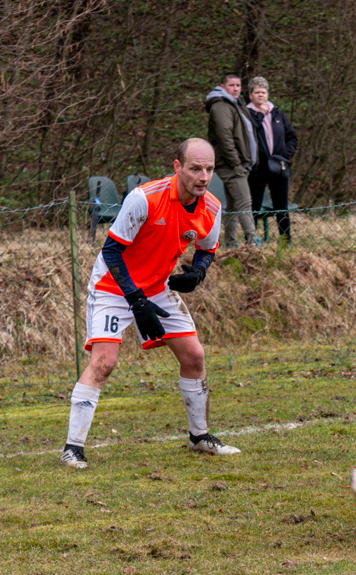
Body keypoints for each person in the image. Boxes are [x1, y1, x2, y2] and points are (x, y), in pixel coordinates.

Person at [60, 138, 238, 469]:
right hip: (114, 285)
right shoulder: (144, 198)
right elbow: (111, 251)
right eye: (195, 168)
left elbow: (207, 248)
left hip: (157, 286)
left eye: (209, 170)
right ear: (177, 167)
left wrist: (197, 273)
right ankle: (73, 448)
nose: (202, 176)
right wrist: (135, 299)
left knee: (194, 355)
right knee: (104, 363)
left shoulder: (211, 206)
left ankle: (199, 437)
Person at [205, 73, 262, 247]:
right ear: (222, 87)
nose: (236, 88)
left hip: (239, 163)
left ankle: (230, 242)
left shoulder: (235, 104)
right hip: (231, 164)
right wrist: (236, 162)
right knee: (245, 202)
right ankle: (253, 240)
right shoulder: (221, 105)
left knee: (234, 205)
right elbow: (225, 136)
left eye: (238, 85)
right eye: (231, 85)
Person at [246, 76, 297, 246]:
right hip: (257, 168)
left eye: (263, 92)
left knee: (281, 206)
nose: (261, 95)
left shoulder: (278, 114)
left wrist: (286, 155)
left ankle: (285, 241)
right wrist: (260, 115)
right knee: (254, 206)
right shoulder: (246, 114)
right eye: (257, 92)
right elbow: (249, 134)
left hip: (278, 166)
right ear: (250, 95)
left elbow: (291, 136)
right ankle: (251, 241)